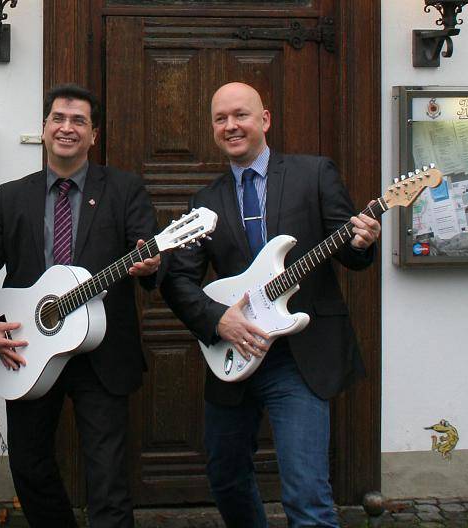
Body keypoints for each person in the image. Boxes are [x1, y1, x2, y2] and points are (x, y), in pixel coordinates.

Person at [159, 82, 381, 528]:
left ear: (265, 119)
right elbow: (176, 279)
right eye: (220, 119)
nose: (230, 125)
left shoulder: (314, 174)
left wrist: (362, 241)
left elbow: (352, 253)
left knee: (307, 496)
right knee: (225, 479)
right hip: (234, 352)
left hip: (298, 359)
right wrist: (218, 319)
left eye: (240, 115)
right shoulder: (205, 202)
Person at [0, 83, 160, 528]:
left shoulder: (125, 190)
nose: (67, 128)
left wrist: (150, 267)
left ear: (94, 135)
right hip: (29, 348)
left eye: (79, 121)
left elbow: (150, 257)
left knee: (107, 478)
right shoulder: (13, 196)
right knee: (28, 467)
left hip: (103, 354)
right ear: (45, 128)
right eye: (59, 119)